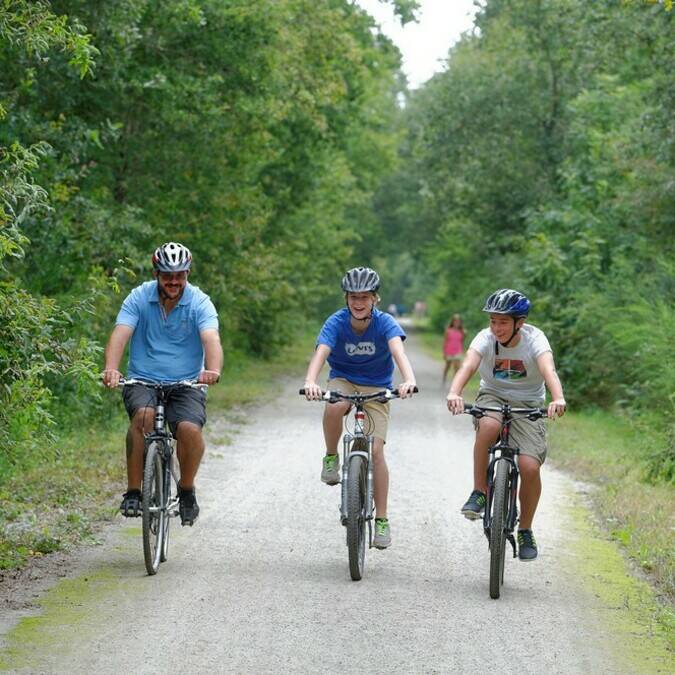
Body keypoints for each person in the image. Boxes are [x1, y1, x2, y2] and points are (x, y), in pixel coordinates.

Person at [102, 242, 223, 526]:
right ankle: (133, 491)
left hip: (187, 383)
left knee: (190, 430)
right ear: (156, 273)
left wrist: (213, 369)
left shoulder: (200, 302)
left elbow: (211, 338)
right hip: (142, 379)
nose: (173, 281)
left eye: (180, 275)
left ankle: (187, 490)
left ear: (187, 273)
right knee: (142, 419)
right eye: (167, 275)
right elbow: (120, 334)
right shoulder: (139, 297)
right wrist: (111, 368)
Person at [446, 289, 566, 561]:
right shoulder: (485, 338)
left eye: (503, 322)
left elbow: (549, 371)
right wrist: (455, 392)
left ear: (519, 322)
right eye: (493, 321)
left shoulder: (535, 340)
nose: (496, 327)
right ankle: (479, 491)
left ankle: (525, 529)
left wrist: (557, 398)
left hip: (528, 403)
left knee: (529, 466)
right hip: (493, 396)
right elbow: (468, 366)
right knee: (489, 427)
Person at [303, 266, 417, 549]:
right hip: (343, 380)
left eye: (364, 297)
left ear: (375, 299)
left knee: (376, 451)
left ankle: (382, 519)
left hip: (376, 387)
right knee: (333, 406)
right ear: (346, 298)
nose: (358, 302)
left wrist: (409, 380)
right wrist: (310, 381)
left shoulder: (385, 323)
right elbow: (322, 353)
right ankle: (331, 456)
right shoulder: (336, 322)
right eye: (353, 297)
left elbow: (397, 351)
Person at [442, 313, 465, 384]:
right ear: (452, 322)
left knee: (457, 367)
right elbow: (445, 341)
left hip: (458, 351)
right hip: (449, 351)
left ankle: (455, 382)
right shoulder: (448, 331)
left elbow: (462, 342)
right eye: (455, 321)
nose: (456, 323)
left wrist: (462, 351)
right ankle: (444, 378)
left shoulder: (462, 331)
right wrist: (444, 353)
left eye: (458, 321)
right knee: (448, 366)